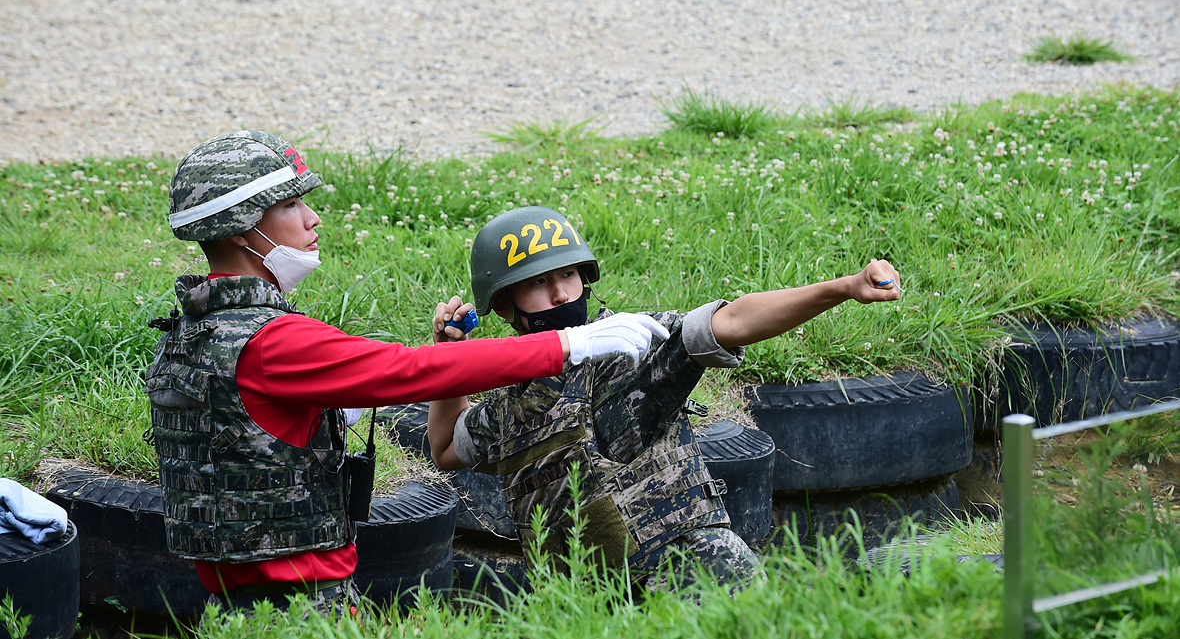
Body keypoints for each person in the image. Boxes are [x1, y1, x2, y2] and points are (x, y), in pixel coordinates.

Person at [142, 132, 668, 617]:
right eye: (290, 204)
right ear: (240, 227)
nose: (312, 218)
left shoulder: (196, 330)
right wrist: (569, 344)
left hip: (235, 605)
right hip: (299, 606)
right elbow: (404, 371)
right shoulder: (270, 342)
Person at [426, 205, 902, 590]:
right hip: (588, 607)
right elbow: (445, 448)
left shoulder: (629, 343)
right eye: (537, 282)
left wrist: (844, 288)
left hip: (696, 579)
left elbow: (730, 322)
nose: (558, 293)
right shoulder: (512, 406)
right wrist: (449, 358)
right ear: (504, 305)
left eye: (568, 275)